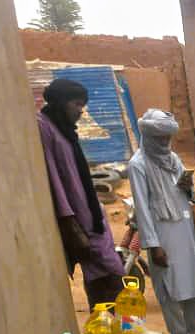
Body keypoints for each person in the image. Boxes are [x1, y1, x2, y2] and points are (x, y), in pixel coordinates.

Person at [129, 109, 195, 334]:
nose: (164, 142)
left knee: (190, 283)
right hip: (161, 232)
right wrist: (153, 245)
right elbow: (142, 207)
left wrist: (186, 187)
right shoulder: (138, 164)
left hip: (183, 227)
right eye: (159, 138)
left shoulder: (172, 159)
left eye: (167, 138)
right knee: (169, 287)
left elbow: (185, 194)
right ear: (149, 137)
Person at [37, 78, 125, 308]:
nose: (80, 111)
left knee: (109, 272)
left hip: (91, 214)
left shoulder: (65, 130)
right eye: (76, 104)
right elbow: (53, 176)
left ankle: (108, 321)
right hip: (78, 218)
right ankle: (107, 322)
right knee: (107, 275)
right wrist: (68, 218)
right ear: (60, 102)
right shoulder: (45, 127)